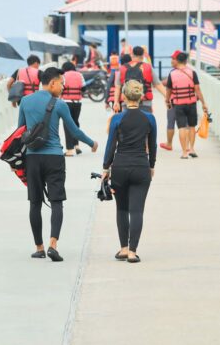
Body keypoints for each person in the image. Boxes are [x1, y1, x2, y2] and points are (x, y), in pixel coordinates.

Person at [18, 67, 98, 262]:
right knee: (56, 202)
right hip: (54, 157)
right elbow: (74, 131)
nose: (63, 87)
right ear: (52, 83)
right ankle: (54, 244)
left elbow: (20, 131)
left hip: (33, 159)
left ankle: (39, 248)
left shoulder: (25, 101)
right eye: (61, 83)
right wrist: (91, 143)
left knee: (35, 203)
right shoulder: (60, 105)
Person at [102, 80, 157, 264]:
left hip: (120, 167)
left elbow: (111, 145)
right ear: (141, 97)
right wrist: (151, 165)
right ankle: (133, 251)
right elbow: (153, 144)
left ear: (124, 96)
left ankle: (123, 248)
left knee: (122, 209)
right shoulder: (149, 119)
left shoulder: (117, 119)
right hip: (141, 166)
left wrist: (105, 168)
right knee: (137, 210)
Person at [164, 51, 208, 159]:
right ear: (186, 61)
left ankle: (184, 152)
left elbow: (168, 90)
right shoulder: (192, 73)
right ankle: (192, 149)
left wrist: (167, 101)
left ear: (177, 60)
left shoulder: (172, 74)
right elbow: (197, 89)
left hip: (178, 104)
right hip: (191, 103)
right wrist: (203, 103)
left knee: (182, 127)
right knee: (192, 127)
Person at [114, 45, 165, 114]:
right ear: (142, 55)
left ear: (132, 54)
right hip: (145, 103)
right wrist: (168, 98)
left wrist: (116, 102)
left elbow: (117, 87)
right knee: (146, 123)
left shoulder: (122, 68)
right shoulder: (148, 68)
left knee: (127, 124)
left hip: (127, 103)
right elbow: (158, 85)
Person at [60, 61, 85, 156]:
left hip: (67, 102)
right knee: (75, 123)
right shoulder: (80, 75)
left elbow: (61, 88)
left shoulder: (63, 76)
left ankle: (70, 149)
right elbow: (84, 88)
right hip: (77, 103)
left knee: (67, 125)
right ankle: (76, 145)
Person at [159, 50, 182, 151]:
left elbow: (169, 86)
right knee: (184, 124)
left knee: (171, 122)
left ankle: (169, 144)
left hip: (173, 101)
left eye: (173, 59)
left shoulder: (173, 72)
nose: (172, 61)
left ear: (178, 60)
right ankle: (188, 147)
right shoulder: (189, 71)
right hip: (186, 101)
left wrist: (167, 100)